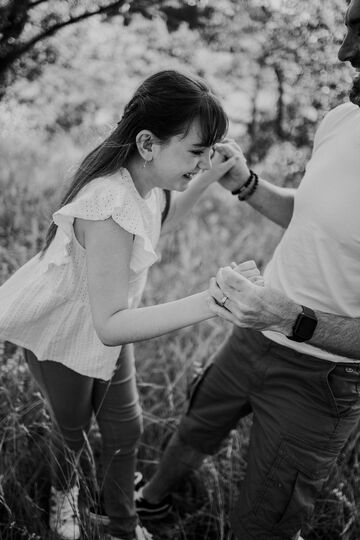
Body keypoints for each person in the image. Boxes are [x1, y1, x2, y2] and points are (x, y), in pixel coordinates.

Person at [0, 70, 262, 540]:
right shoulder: (108, 204)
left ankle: (122, 524)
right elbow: (109, 326)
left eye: (207, 154)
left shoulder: (146, 183)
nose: (202, 164)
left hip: (113, 322)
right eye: (196, 153)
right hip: (63, 334)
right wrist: (212, 300)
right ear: (148, 143)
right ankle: (67, 493)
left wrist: (212, 177)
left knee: (126, 431)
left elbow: (162, 220)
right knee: (73, 430)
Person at [134, 2, 360, 539]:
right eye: (351, 25)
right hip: (254, 333)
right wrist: (244, 182)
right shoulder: (343, 118)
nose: (345, 51)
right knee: (195, 426)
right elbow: (310, 215)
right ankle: (149, 504)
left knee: (265, 524)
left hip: (322, 379)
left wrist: (291, 316)